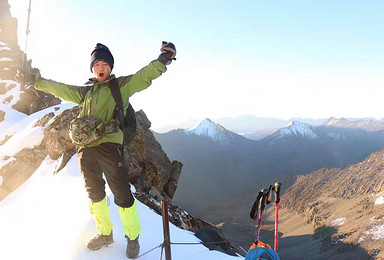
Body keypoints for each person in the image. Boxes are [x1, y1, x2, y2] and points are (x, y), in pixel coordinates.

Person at [19, 41, 176, 258]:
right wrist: (36, 81)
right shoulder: (86, 93)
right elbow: (59, 88)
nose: (101, 67)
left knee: (122, 194)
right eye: (97, 64)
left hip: (110, 146)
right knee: (95, 195)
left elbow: (143, 76)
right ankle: (104, 233)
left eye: (104, 63)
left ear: (110, 67)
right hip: (86, 150)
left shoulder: (120, 87)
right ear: (92, 68)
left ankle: (132, 236)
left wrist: (162, 61)